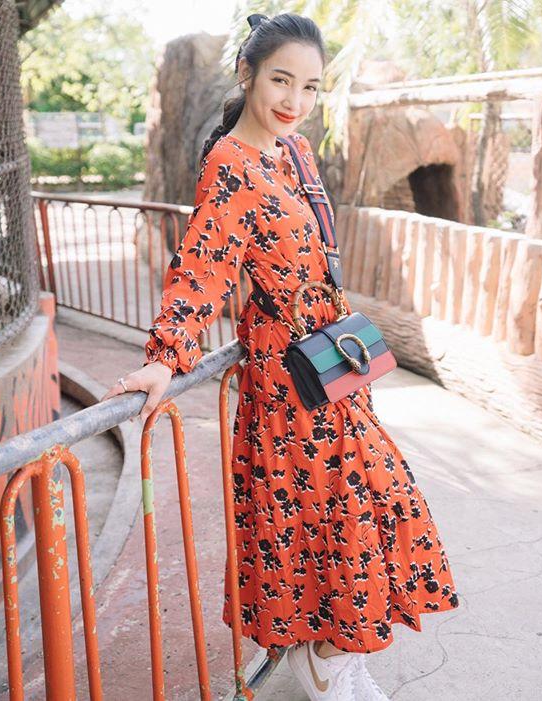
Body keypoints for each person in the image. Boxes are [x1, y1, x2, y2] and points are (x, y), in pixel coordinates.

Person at [101, 12, 460, 701]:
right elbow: (203, 266)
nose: (295, 100)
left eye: (310, 87)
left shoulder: (293, 152)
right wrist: (166, 356)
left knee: (362, 513)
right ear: (248, 74)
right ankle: (326, 662)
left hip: (334, 363)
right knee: (339, 516)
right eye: (281, 81)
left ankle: (332, 657)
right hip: (290, 379)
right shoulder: (231, 164)